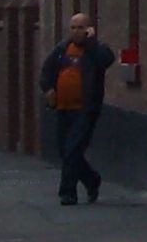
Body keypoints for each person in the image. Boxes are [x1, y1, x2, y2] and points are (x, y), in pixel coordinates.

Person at [40, 12, 120, 207]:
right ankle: (92, 180)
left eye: (80, 27)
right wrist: (48, 88)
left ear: (89, 29)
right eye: (73, 27)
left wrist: (91, 42)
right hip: (62, 108)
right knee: (64, 150)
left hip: (84, 110)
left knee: (73, 149)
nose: (76, 31)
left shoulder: (97, 50)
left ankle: (67, 193)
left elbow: (105, 60)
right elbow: (47, 71)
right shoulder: (62, 49)